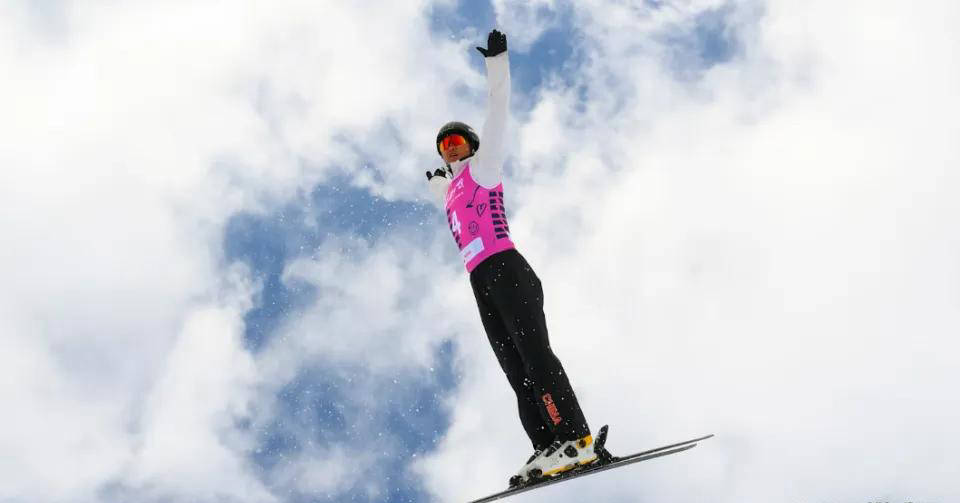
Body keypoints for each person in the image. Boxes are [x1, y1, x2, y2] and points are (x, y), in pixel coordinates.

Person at [425, 29, 597, 483]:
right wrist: (437, 184)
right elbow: (446, 193)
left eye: (457, 140)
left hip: (507, 268)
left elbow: (497, 111)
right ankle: (546, 445)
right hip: (480, 280)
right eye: (444, 145)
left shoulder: (485, 168)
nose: (451, 146)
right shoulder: (450, 191)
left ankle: (574, 437)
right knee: (514, 369)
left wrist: (496, 65)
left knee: (535, 355)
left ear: (473, 145)